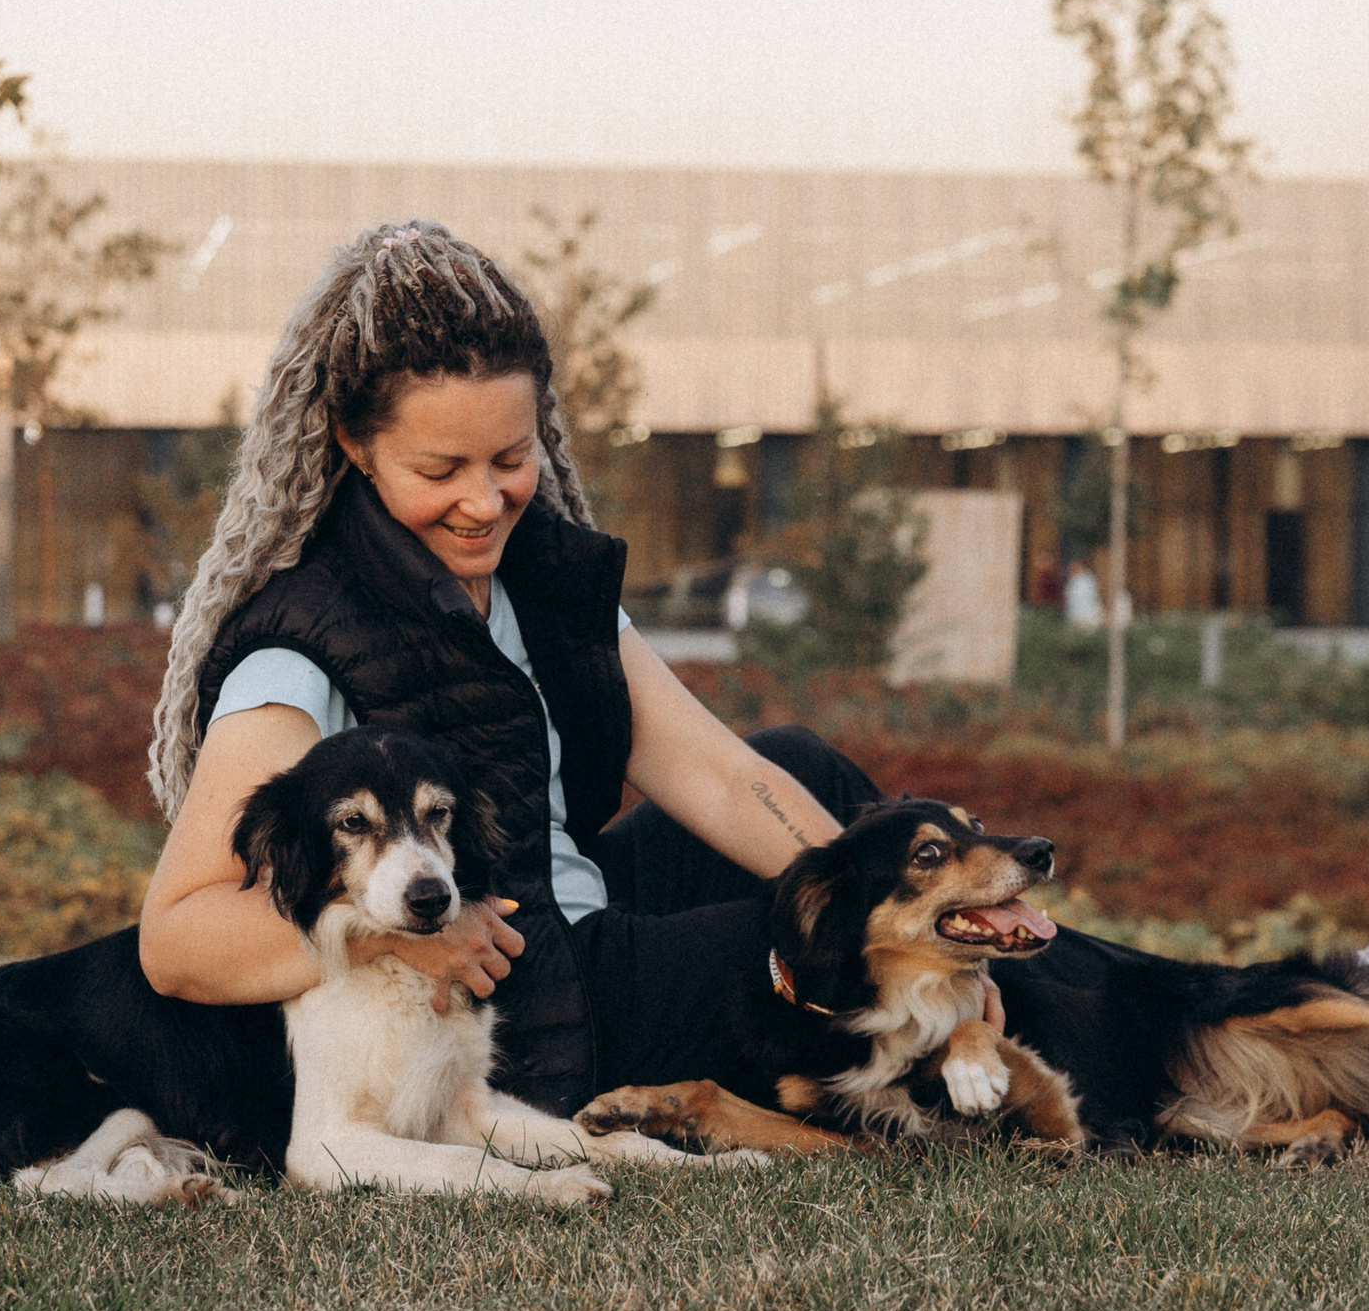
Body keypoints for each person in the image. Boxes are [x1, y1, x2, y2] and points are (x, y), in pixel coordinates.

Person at [138, 222, 1149, 1120]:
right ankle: (1158, 1064)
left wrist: (929, 917)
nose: (486, 503)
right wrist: (390, 939)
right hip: (526, 993)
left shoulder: (541, 576)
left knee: (818, 785)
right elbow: (176, 938)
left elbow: (715, 776)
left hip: (585, 915)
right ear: (353, 447)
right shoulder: (298, 649)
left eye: (510, 458)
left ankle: (1148, 1009)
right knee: (801, 953)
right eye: (439, 472)